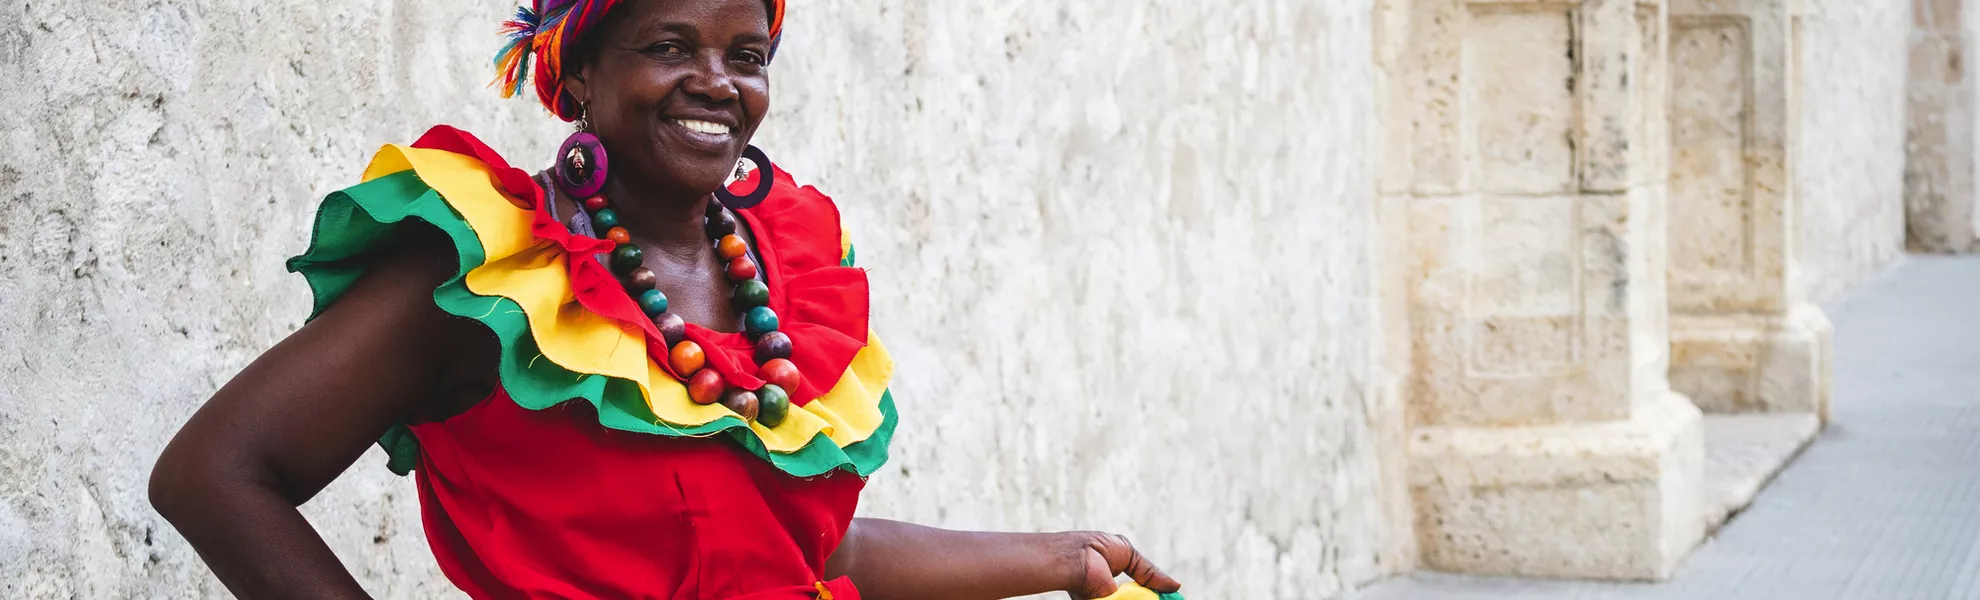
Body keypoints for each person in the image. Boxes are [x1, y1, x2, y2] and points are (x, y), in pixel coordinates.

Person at [146, 1, 1185, 599]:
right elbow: (215, 473)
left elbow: (808, 553)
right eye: (669, 45)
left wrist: (1061, 557)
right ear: (580, 71)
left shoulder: (785, 272)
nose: (716, 82)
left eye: (748, 55)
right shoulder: (490, 278)